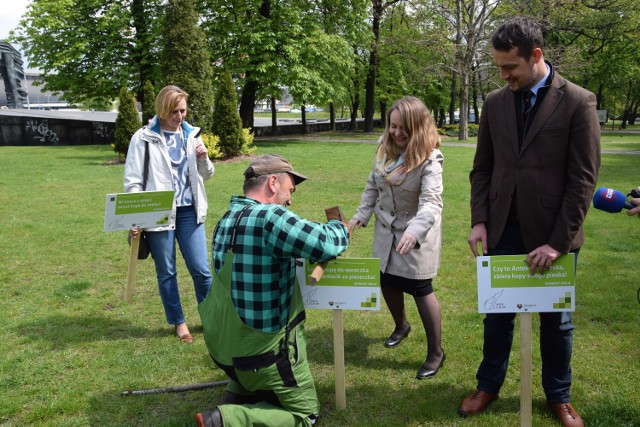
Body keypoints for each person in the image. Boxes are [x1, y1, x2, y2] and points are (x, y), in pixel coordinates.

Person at [460, 17, 600, 427]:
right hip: (503, 229)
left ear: (536, 56)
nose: (503, 76)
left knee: (557, 323)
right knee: (497, 316)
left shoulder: (578, 101)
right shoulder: (494, 102)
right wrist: (480, 220)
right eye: (498, 67)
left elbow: (582, 180)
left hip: (555, 235)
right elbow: (482, 169)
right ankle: (487, 385)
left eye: (510, 68)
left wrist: (558, 242)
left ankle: (559, 396)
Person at [195, 154, 349, 427]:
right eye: (290, 189)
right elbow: (325, 242)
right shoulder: (271, 218)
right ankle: (227, 419)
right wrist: (339, 227)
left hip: (223, 350)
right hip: (262, 357)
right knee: (306, 415)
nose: (291, 199)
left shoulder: (227, 218)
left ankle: (239, 391)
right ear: (273, 183)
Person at [348, 96, 445, 380]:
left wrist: (414, 232)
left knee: (419, 286)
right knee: (385, 278)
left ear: (418, 127)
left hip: (417, 230)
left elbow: (431, 202)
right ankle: (401, 326)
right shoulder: (384, 151)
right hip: (385, 229)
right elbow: (372, 187)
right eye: (393, 126)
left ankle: (436, 352)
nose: (397, 133)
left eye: (404, 128)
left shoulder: (430, 158)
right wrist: (360, 216)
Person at [124, 85, 214, 344]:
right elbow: (133, 182)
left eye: (183, 110)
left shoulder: (192, 135)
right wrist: (135, 219)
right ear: (162, 110)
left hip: (190, 211)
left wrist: (203, 158)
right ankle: (179, 322)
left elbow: (207, 175)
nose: (180, 116)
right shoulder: (143, 138)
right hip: (158, 213)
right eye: (174, 111)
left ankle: (210, 317)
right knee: (167, 271)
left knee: (201, 270)